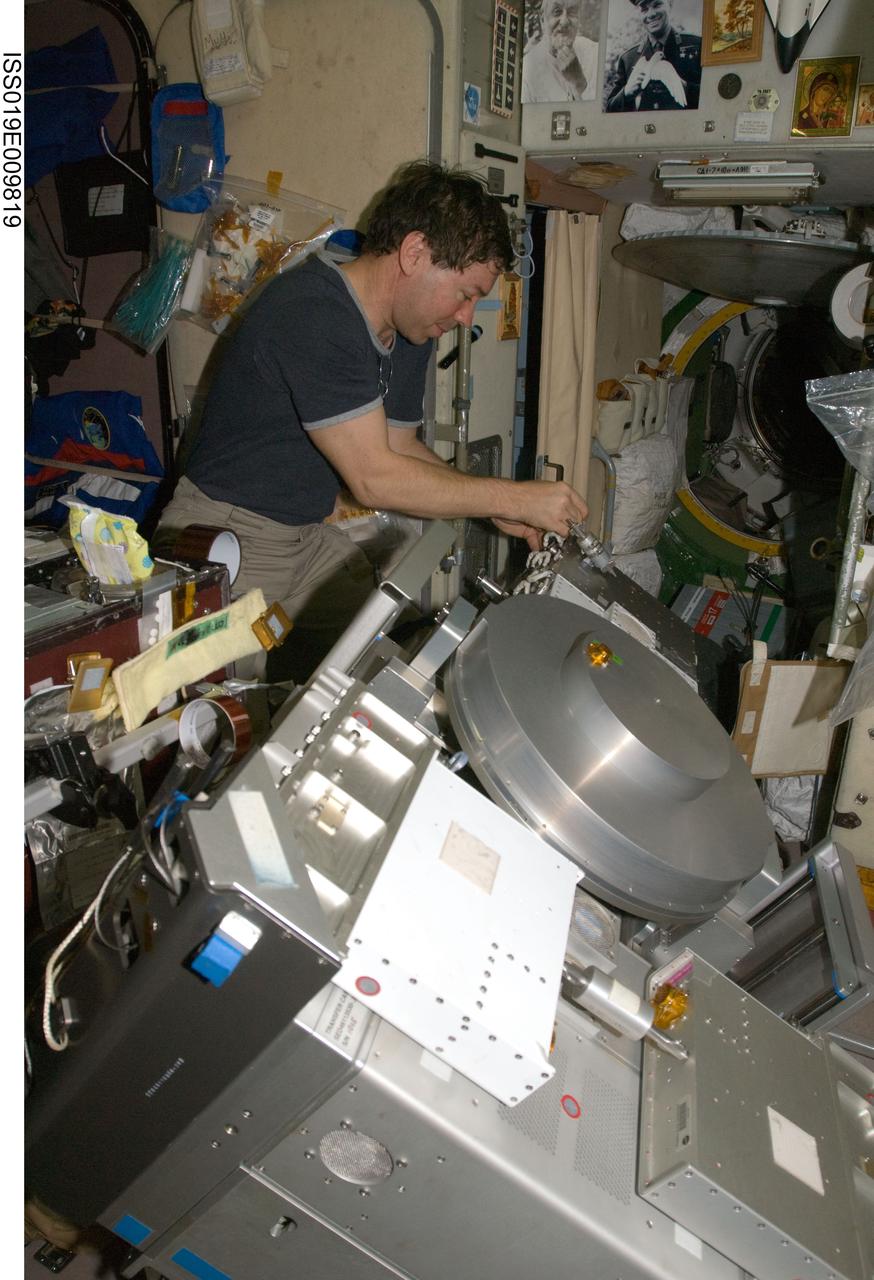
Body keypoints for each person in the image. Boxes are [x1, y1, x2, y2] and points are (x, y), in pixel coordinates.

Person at [158, 161, 588, 681]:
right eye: (467, 293)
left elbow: (398, 446)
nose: (465, 318)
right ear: (414, 254)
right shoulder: (315, 313)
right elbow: (374, 478)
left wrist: (491, 505)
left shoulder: (406, 331)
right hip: (227, 533)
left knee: (388, 651)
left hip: (300, 535)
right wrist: (510, 497)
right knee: (220, 720)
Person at [606, 0, 701, 113]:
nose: (651, 14)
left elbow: (714, 97)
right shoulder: (628, 59)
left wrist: (684, 87)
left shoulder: (697, 45)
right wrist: (626, 93)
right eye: (644, 9)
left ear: (670, 4)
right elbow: (609, 111)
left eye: (657, 5)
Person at [521, 0, 599, 103]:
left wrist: (579, 82)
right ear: (542, 19)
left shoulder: (594, 54)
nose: (564, 22)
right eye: (557, 12)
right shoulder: (527, 70)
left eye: (572, 12)